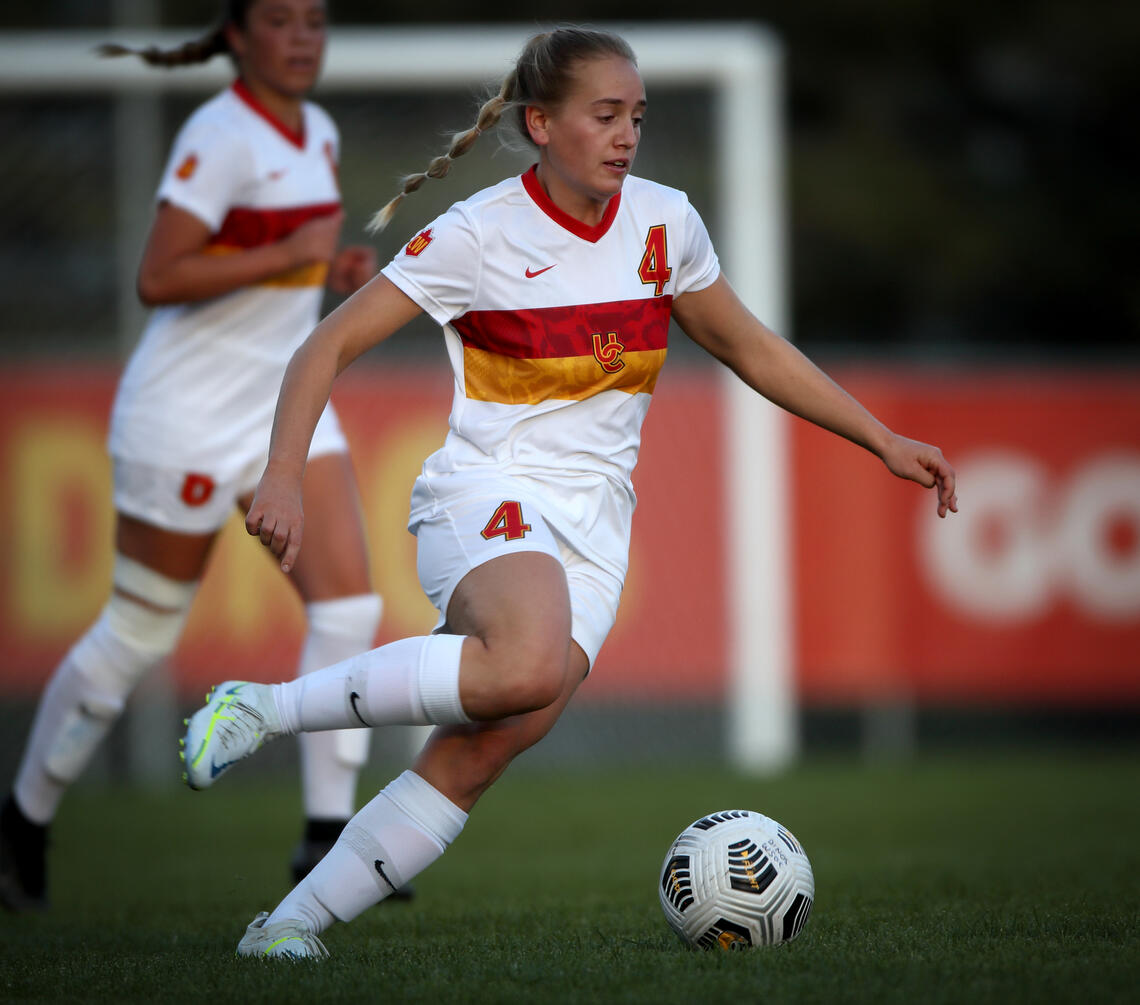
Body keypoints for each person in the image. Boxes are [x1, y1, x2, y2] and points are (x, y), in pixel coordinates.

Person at [179, 25, 959, 959]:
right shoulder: (477, 234)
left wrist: (880, 438)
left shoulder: (666, 225)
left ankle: (286, 928)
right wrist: (282, 478)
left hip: (598, 527)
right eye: (605, 115)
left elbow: (751, 346)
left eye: (636, 116)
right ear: (541, 124)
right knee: (526, 664)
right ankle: (262, 707)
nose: (627, 135)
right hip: (484, 491)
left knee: (482, 747)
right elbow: (324, 345)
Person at [0, 0, 390, 912]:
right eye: (281, 21)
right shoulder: (219, 134)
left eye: (315, 21)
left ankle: (324, 838)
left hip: (278, 409)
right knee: (140, 631)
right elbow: (158, 275)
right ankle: (23, 816)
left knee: (351, 603)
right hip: (182, 416)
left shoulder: (319, 131)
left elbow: (282, 259)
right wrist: (286, 256)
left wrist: (323, 272)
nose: (302, 37)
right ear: (238, 36)